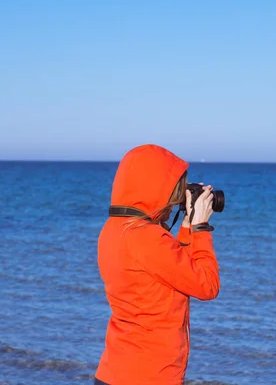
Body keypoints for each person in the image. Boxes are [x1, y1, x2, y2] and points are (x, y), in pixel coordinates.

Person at [94, 144, 221, 385]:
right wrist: (201, 228)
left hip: (115, 370)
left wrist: (186, 225)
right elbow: (207, 285)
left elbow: (176, 270)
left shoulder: (114, 230)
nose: (173, 202)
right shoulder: (146, 238)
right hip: (150, 375)